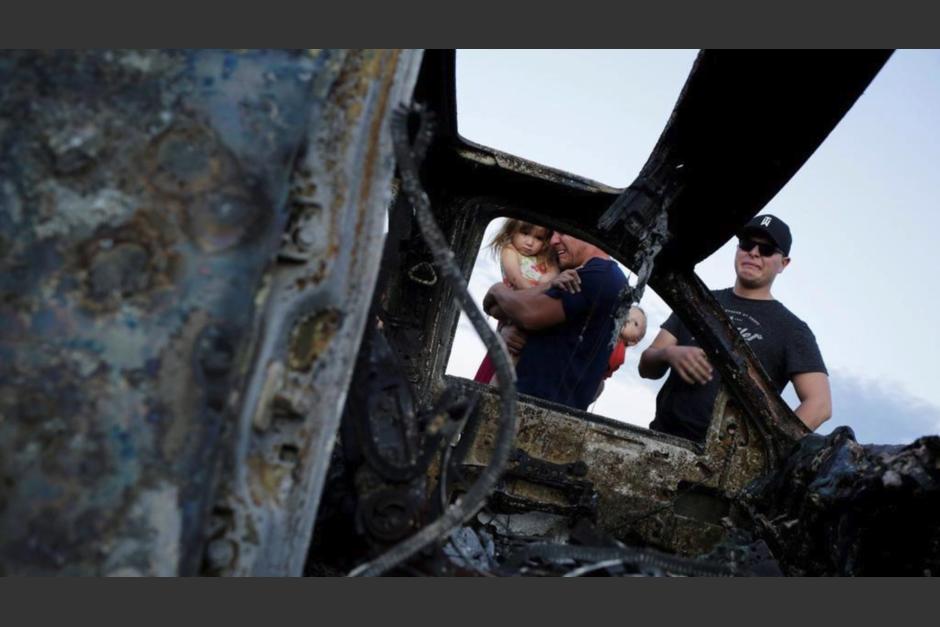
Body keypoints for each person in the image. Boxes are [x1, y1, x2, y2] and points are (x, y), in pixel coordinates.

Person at [639, 214, 831, 442]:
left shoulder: (792, 328)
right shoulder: (696, 300)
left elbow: (820, 404)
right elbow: (646, 366)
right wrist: (669, 354)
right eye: (747, 244)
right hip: (660, 440)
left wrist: (770, 450)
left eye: (767, 249)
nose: (754, 253)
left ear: (784, 263)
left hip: (725, 465)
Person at [483, 231, 627, 411]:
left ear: (588, 233)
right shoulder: (581, 274)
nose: (553, 241)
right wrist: (507, 322)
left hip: (536, 410)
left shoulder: (598, 275)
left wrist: (497, 290)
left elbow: (528, 314)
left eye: (563, 233)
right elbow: (502, 309)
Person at [473, 219, 559, 383]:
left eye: (539, 238)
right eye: (525, 233)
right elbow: (516, 278)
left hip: (533, 313)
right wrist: (537, 296)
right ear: (512, 231)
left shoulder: (545, 259)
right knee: (506, 356)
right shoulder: (510, 250)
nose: (530, 242)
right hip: (515, 310)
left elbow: (552, 277)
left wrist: (544, 287)